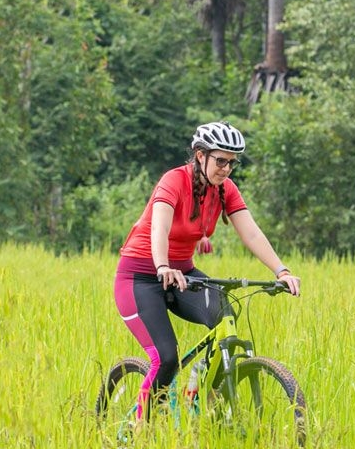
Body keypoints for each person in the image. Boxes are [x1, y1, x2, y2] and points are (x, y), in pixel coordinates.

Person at [114, 122, 300, 422]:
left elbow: (251, 233)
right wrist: (162, 265)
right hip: (140, 277)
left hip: (183, 276)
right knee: (166, 358)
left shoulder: (225, 191)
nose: (226, 169)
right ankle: (138, 430)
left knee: (225, 315)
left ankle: (200, 396)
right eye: (221, 160)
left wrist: (282, 270)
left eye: (232, 162)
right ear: (200, 155)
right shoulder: (173, 181)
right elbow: (159, 226)